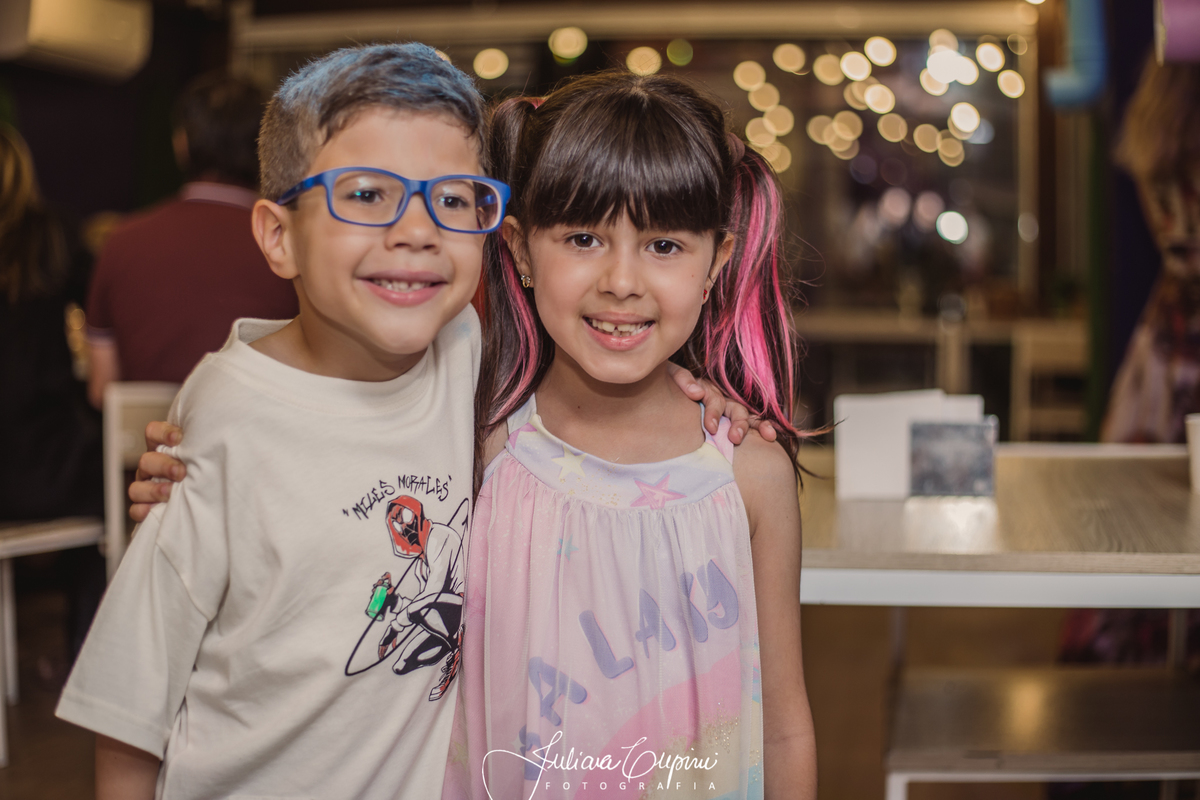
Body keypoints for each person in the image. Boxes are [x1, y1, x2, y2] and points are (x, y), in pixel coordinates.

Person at [57, 43, 500, 799]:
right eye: (367, 193)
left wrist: (699, 396)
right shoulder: (226, 421)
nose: (419, 230)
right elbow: (129, 706)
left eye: (454, 199)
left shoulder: (466, 347)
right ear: (278, 237)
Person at [446, 72, 817, 799]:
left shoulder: (749, 475)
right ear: (519, 250)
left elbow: (783, 727)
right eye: (584, 238)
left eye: (664, 245)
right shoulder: (478, 451)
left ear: (716, 262)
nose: (622, 281)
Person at [85, 72, 298, 406]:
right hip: (263, 434)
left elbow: (102, 390)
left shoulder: (121, 241)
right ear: (268, 148)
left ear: (181, 143)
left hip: (148, 436)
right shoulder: (293, 246)